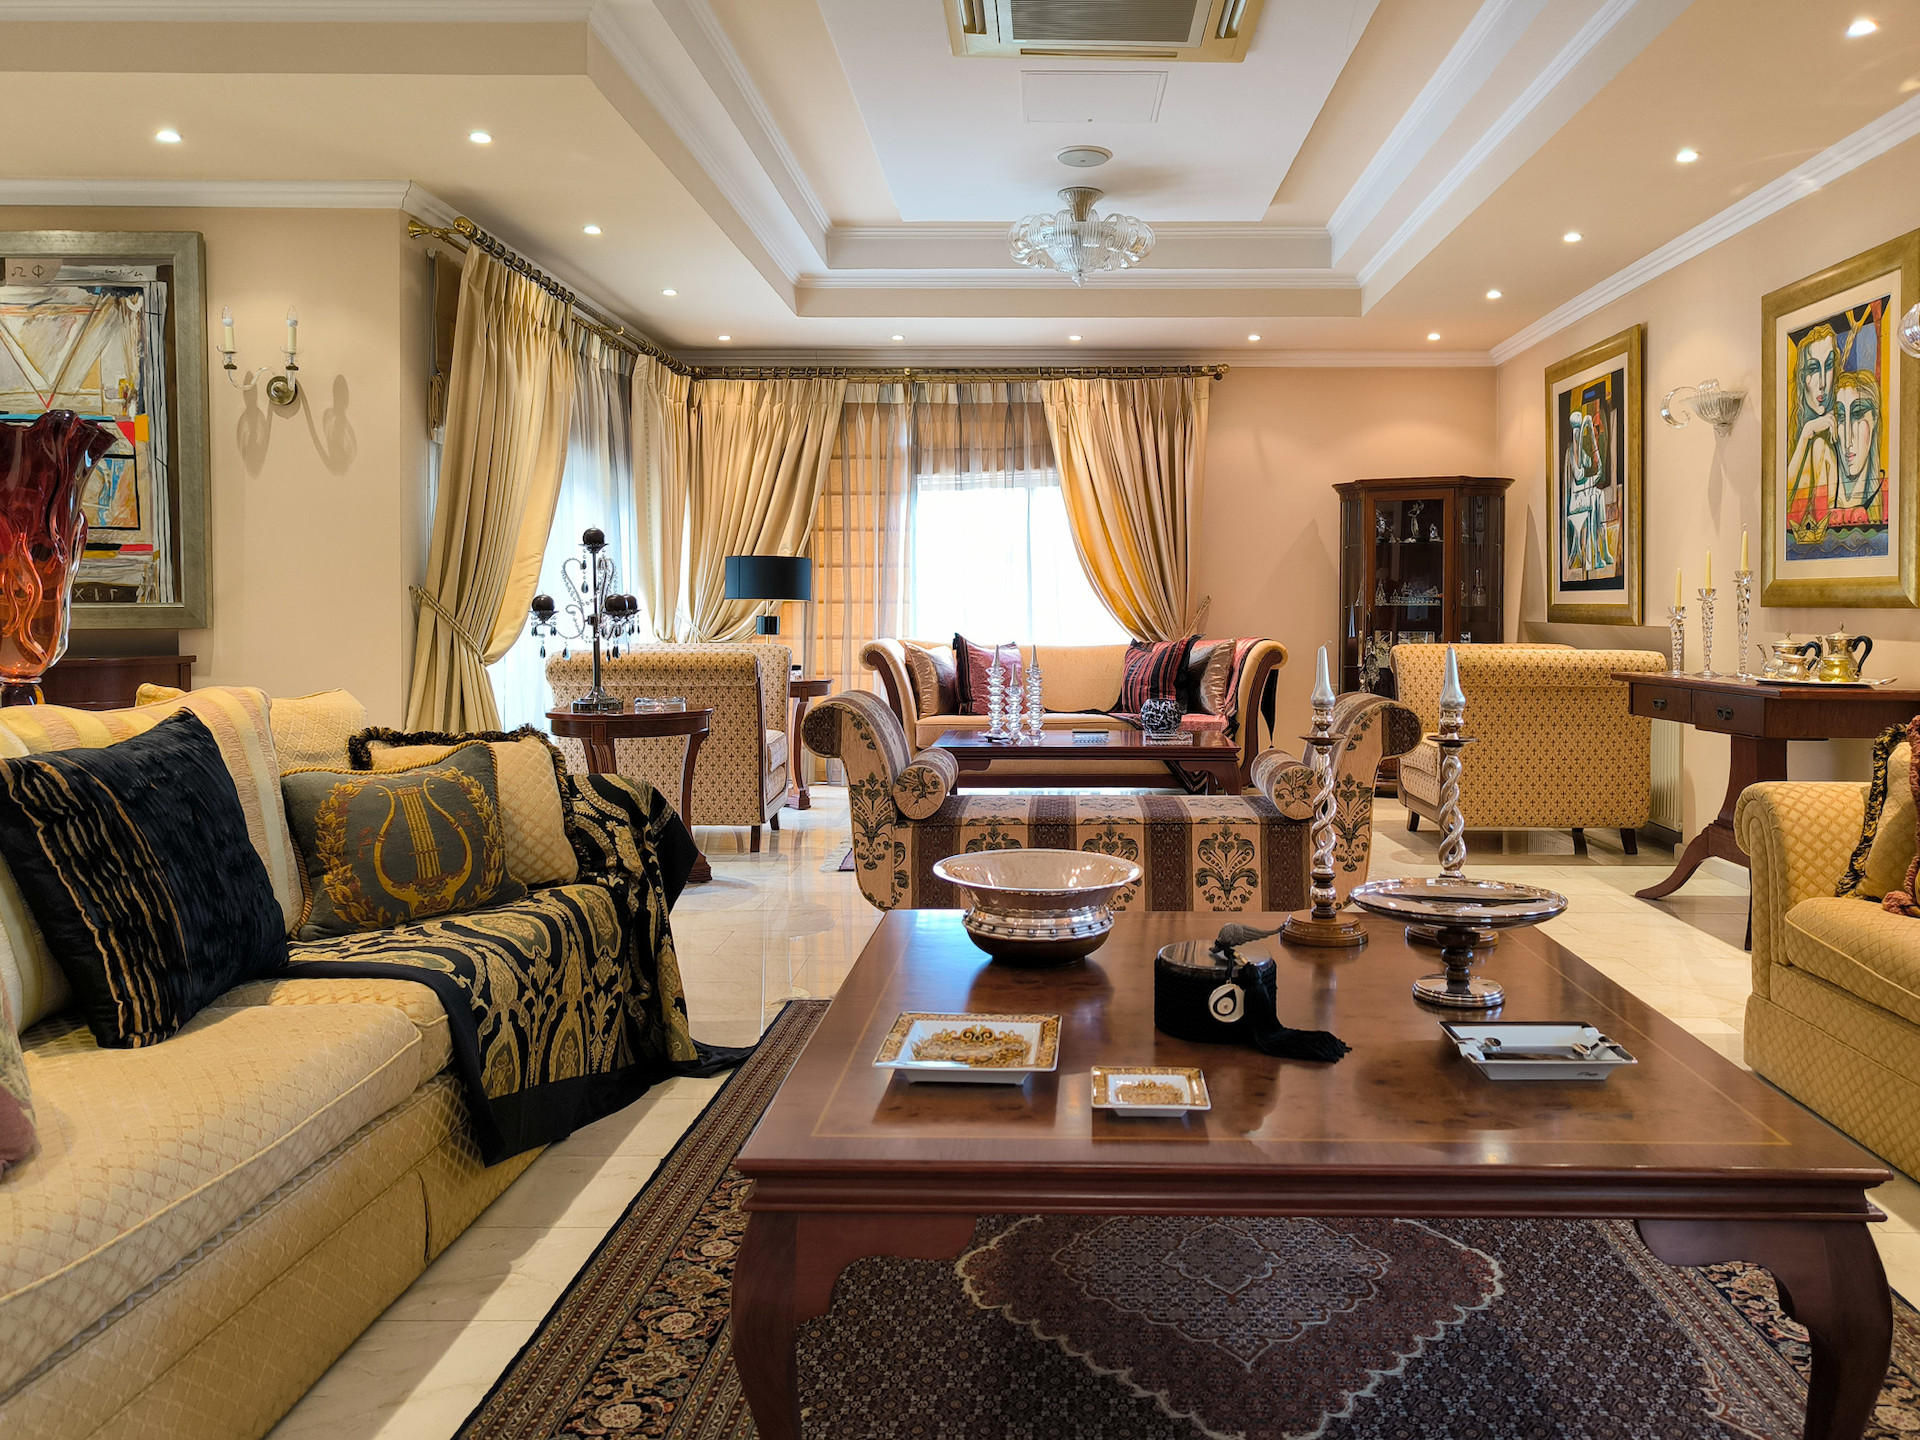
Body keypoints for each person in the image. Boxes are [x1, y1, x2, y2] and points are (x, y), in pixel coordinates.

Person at [1785, 322, 1840, 532]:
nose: (1822, 383)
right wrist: (1806, 433)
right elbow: (1782, 499)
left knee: (1820, 446)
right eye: (1813, 369)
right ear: (1801, 376)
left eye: (1829, 366)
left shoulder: (1840, 429)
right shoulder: (1794, 429)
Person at [1828, 368, 1883, 529]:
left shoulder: (1891, 495)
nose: (1847, 438)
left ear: (1875, 419)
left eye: (1857, 414)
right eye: (1840, 417)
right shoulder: (1819, 498)